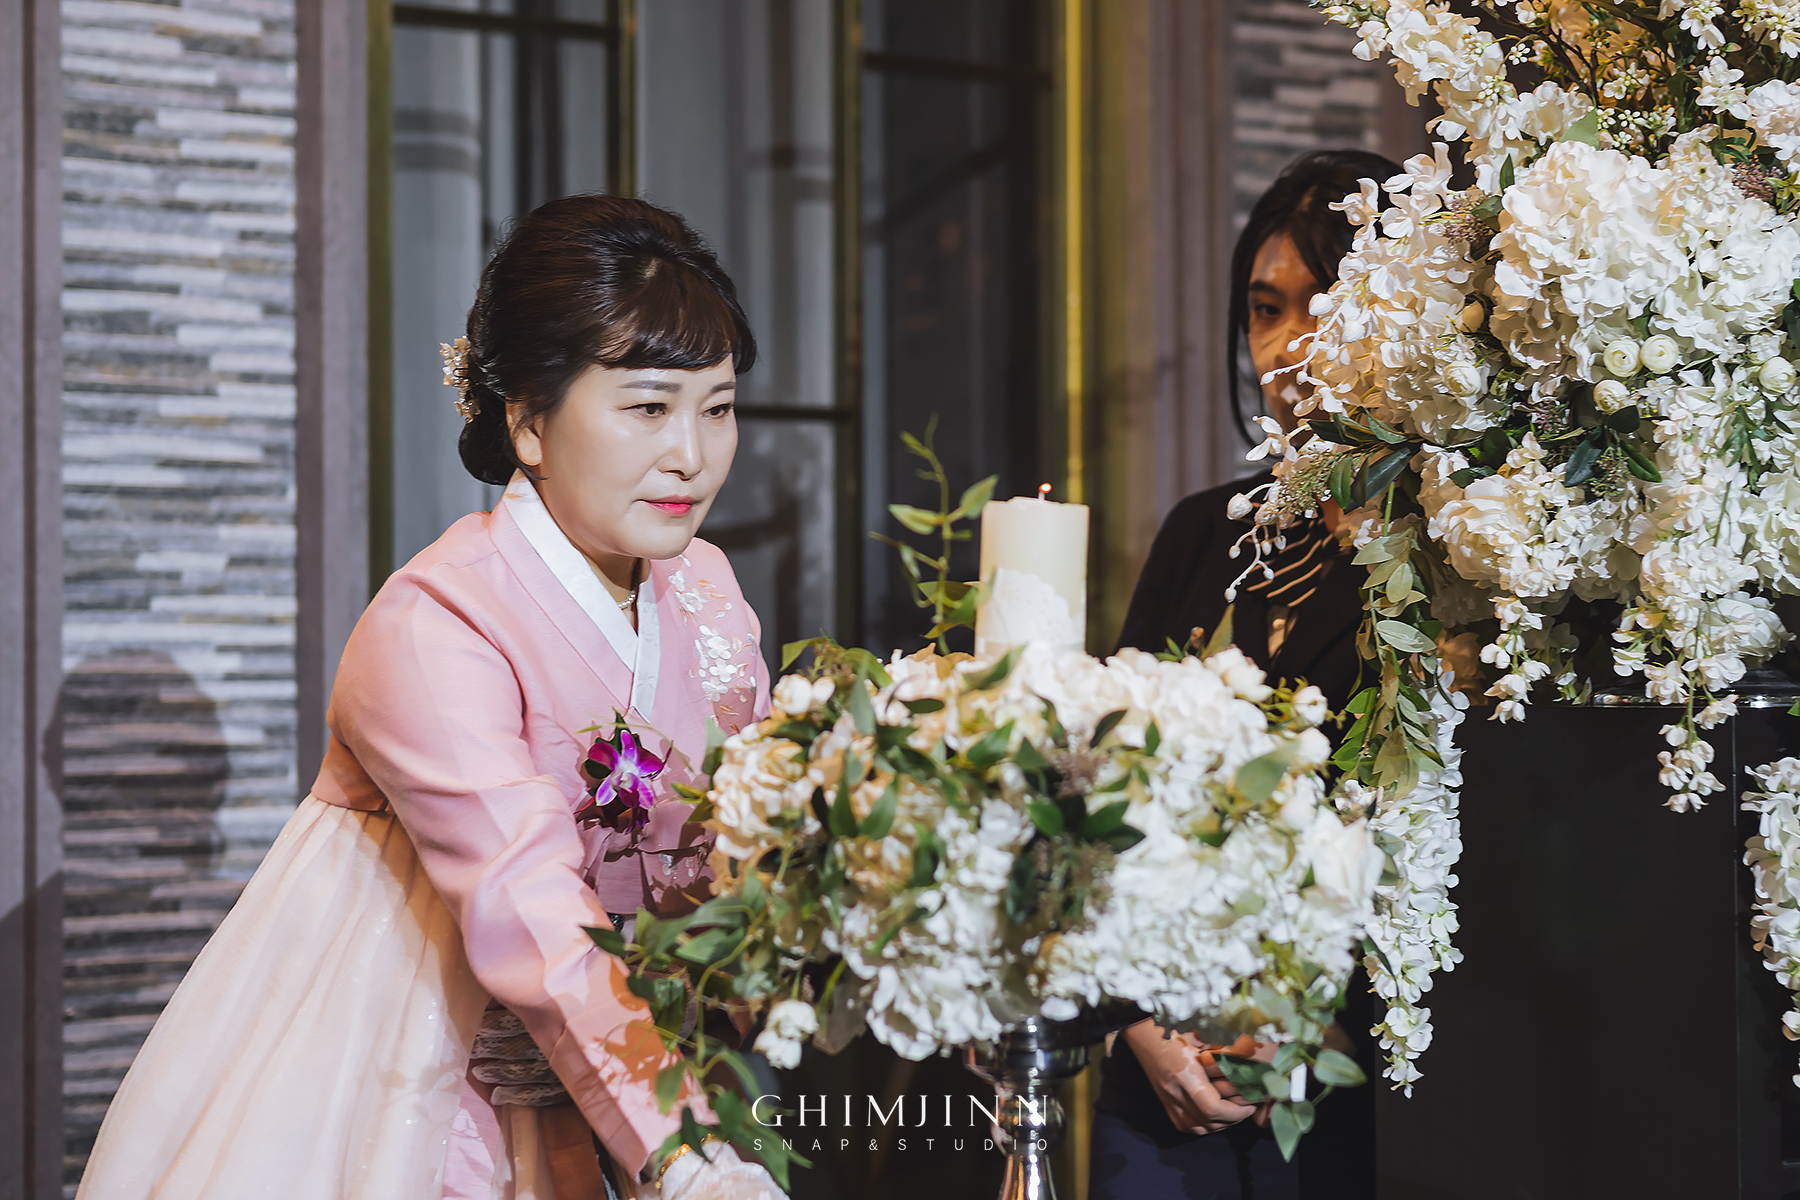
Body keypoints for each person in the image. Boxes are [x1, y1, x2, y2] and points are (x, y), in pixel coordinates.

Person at [76, 195, 785, 1200]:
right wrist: (681, 1153)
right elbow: (527, 905)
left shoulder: (703, 585)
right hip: (428, 1083)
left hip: (640, 1068)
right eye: (646, 408)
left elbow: (741, 846)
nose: (692, 455)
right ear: (528, 420)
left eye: (717, 408)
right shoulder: (436, 623)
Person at [1092, 149, 1402, 1200]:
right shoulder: (1202, 534)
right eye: (1267, 310)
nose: (1288, 346)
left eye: (1330, 302)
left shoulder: (1460, 557)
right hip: (1167, 1069)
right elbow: (1107, 795)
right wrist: (1139, 1021)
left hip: (1369, 1089)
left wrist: (1322, 1032)